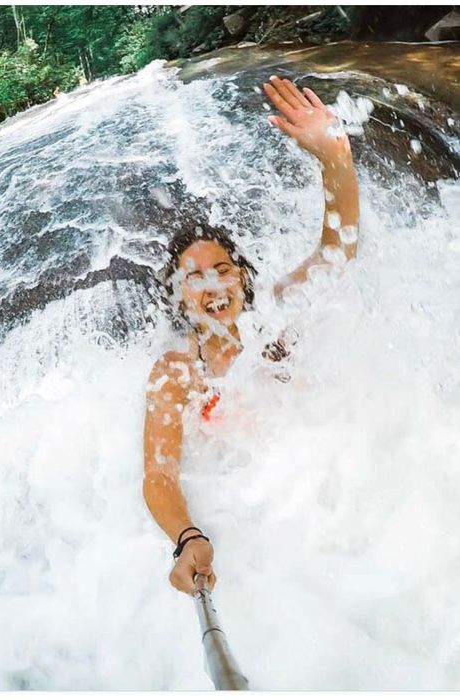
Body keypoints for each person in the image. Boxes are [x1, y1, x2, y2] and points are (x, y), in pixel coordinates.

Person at [142, 76, 360, 595]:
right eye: (194, 277)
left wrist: (333, 155)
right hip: (252, 518)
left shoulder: (276, 316)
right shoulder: (177, 373)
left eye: (222, 269)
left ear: (242, 276)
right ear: (178, 297)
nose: (213, 284)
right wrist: (187, 536)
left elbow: (339, 249)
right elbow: (159, 475)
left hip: (329, 486)